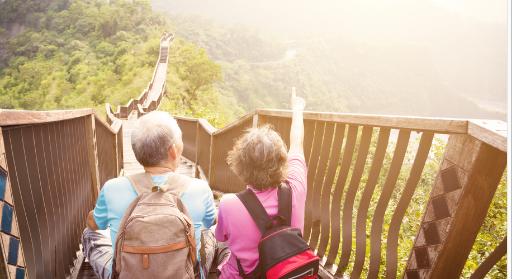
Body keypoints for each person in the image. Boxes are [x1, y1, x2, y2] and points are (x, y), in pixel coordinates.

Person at [82, 111, 216, 279]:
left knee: (89, 234)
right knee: (209, 233)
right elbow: (211, 222)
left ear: (137, 152)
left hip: (126, 274)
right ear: (173, 151)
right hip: (188, 275)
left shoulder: (112, 188)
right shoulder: (200, 188)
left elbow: (94, 225)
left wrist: (94, 217)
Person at [215, 89, 306, 278]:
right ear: (283, 161)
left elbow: (220, 237)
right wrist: (297, 110)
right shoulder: (296, 188)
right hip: (285, 272)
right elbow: (297, 142)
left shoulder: (229, 203)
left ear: (240, 165)